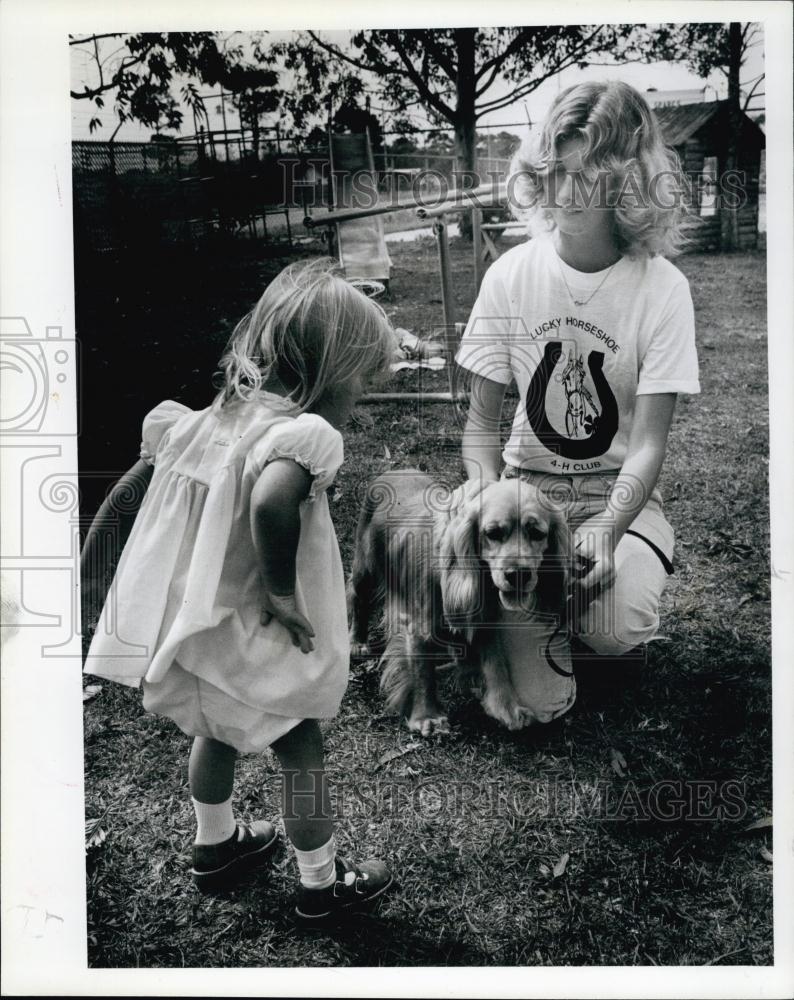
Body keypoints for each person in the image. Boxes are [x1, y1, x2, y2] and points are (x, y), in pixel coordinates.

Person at [82, 258, 397, 922]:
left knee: (213, 731)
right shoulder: (303, 435)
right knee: (301, 744)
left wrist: (92, 574)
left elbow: (121, 499)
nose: (361, 399)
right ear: (326, 373)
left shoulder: (191, 422)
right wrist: (282, 592)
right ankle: (320, 883)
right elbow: (272, 505)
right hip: (253, 623)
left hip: (195, 631)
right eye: (361, 382)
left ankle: (216, 844)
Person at [457, 80, 700, 665]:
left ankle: (558, 617)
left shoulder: (664, 288)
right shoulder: (510, 275)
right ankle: (533, 620)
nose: (565, 193)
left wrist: (609, 529)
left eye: (588, 177)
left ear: (629, 183)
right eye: (554, 172)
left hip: (617, 498)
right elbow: (481, 425)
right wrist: (487, 496)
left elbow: (647, 447)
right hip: (523, 496)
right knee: (461, 605)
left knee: (615, 630)